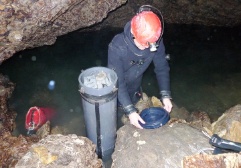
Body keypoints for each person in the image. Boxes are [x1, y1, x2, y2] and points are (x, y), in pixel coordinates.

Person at [107, 5, 172, 129]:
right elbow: (117, 82)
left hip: (135, 86)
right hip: (116, 89)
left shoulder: (155, 40)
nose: (147, 48)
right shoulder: (117, 47)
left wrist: (165, 95)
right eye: (143, 44)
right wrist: (130, 110)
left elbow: (162, 67)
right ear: (133, 32)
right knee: (118, 116)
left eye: (150, 44)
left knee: (135, 103)